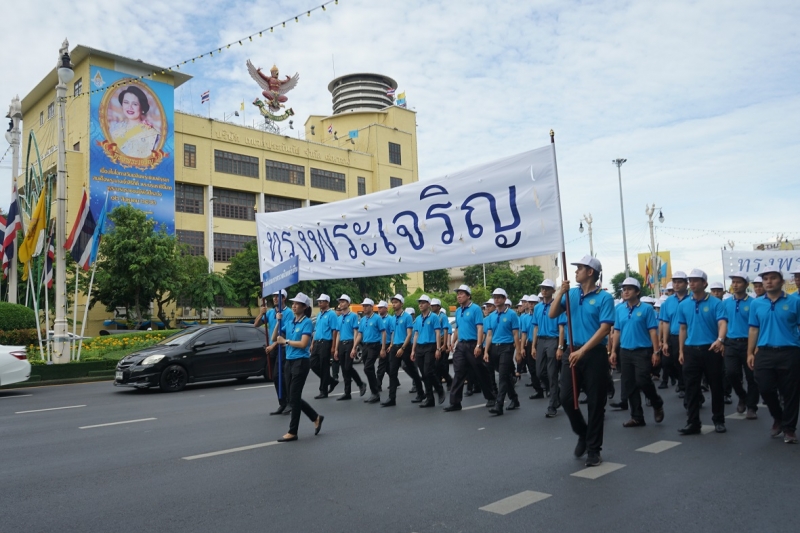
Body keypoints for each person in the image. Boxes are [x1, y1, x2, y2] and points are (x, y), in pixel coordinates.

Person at [550, 255, 615, 467]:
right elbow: (552, 314)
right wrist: (560, 291)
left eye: (580, 268)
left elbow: (604, 329)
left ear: (590, 272)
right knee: (567, 398)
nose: (576, 271)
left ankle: (594, 449)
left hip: (593, 353)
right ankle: (582, 432)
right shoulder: (572, 294)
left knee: (596, 403)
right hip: (573, 351)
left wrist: (584, 350)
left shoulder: (604, 298)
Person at [747, 266, 800, 444]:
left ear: (782, 281)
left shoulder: (794, 302)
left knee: (790, 393)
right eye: (765, 278)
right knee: (765, 387)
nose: (768, 281)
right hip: (765, 352)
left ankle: (789, 429)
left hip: (790, 352)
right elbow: (754, 329)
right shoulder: (756, 303)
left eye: (773, 278)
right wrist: (750, 352)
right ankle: (778, 417)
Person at [677, 269, 728, 435]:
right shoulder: (684, 304)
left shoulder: (715, 303)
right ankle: (693, 422)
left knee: (716, 386)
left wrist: (720, 340)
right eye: (690, 280)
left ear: (704, 283)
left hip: (711, 349)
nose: (692, 283)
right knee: (691, 388)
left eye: (696, 280)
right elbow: (683, 328)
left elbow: (722, 323)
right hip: (691, 350)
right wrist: (681, 350)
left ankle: (718, 420)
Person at [610, 277, 664, 427]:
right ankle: (637, 417)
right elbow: (617, 332)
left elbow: (653, 332)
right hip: (625, 351)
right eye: (624, 289)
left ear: (637, 291)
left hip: (642, 351)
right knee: (629, 384)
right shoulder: (620, 309)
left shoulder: (646, 309)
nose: (625, 291)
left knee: (642, 380)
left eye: (629, 289)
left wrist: (656, 352)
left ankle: (656, 402)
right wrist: (613, 351)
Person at [274, 292, 324, 441]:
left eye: (297, 304)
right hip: (289, 362)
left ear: (304, 307)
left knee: (294, 397)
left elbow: (303, 344)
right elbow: (274, 338)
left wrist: (286, 341)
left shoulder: (307, 322)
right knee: (292, 397)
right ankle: (316, 417)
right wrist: (278, 321)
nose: (294, 306)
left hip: (301, 362)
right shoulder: (289, 323)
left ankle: (293, 431)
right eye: (293, 303)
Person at [444, 285, 496, 411]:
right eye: (458, 294)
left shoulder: (475, 309)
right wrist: (452, 341)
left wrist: (479, 345)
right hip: (461, 345)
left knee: (480, 372)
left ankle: (491, 397)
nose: (459, 296)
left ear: (468, 295)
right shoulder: (458, 311)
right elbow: (457, 328)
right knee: (459, 373)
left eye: (462, 294)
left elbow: (480, 328)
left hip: (473, 344)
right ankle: (455, 402)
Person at [723, 272, 759, 419]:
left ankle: (751, 407)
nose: (735, 285)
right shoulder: (725, 303)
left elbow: (758, 326)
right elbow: (722, 323)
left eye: (739, 282)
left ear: (746, 284)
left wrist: (756, 346)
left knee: (752, 377)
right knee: (731, 373)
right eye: (733, 282)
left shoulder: (753, 303)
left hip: (749, 343)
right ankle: (742, 395)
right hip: (731, 343)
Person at [484, 288, 521, 416]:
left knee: (502, 376)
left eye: (499, 297)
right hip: (494, 347)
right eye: (495, 297)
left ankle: (499, 405)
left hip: (507, 347)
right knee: (505, 376)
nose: (496, 299)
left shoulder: (511, 314)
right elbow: (489, 334)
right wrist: (486, 351)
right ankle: (514, 399)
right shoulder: (491, 316)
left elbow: (516, 334)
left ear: (505, 299)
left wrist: (518, 351)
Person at [257, 290, 294, 416]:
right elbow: (256, 324)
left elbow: (284, 332)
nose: (275, 298)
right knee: (274, 376)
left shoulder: (288, 313)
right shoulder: (271, 312)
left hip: (282, 346)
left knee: (281, 375)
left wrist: (273, 346)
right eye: (273, 296)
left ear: (283, 298)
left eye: (277, 296)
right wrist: (261, 313)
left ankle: (289, 402)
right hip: (273, 346)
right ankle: (282, 403)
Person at [383, 295, 424, 406]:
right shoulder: (392, 318)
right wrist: (391, 344)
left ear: (401, 304)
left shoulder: (407, 317)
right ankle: (392, 398)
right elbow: (393, 333)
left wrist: (403, 348)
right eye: (393, 302)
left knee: (413, 371)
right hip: (395, 347)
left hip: (405, 347)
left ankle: (421, 393)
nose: (394, 304)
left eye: (396, 302)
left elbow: (409, 334)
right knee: (392, 372)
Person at [533, 279, 563, 418]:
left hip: (553, 340)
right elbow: (535, 327)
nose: (544, 290)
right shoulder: (538, 307)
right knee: (539, 372)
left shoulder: (557, 305)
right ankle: (556, 392)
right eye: (542, 288)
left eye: (547, 288)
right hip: (541, 340)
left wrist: (560, 347)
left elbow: (561, 328)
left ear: (553, 291)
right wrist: (533, 345)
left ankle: (552, 405)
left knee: (552, 373)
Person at [659, 271, 690, 395]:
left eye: (680, 282)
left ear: (686, 284)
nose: (676, 285)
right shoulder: (668, 302)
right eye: (674, 282)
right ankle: (682, 383)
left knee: (687, 365)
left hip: (689, 337)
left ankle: (686, 387)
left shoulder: (693, 298)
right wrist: (664, 341)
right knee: (671, 363)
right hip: (673, 337)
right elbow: (665, 322)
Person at [411, 295, 445, 407]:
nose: (420, 305)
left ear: (428, 305)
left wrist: (438, 348)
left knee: (428, 371)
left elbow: (437, 333)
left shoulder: (434, 317)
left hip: (430, 346)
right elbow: (415, 334)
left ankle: (440, 390)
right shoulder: (418, 319)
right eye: (419, 302)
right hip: (420, 347)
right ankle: (430, 399)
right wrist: (413, 350)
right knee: (424, 374)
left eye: (423, 302)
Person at [110, 86, 160, 158]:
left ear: (142, 108)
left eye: (135, 104)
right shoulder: (114, 128)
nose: (129, 107)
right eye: (126, 102)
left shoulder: (152, 134)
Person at [333, 295, 367, 401]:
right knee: (344, 369)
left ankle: (360, 384)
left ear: (348, 303)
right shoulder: (339, 318)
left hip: (350, 343)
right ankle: (347, 393)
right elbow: (338, 334)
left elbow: (355, 332)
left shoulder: (353, 316)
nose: (341, 304)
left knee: (348, 367)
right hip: (342, 344)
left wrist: (354, 347)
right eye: (340, 302)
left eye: (343, 302)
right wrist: (336, 349)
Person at [353, 298, 386, 404]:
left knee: (367, 368)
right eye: (363, 306)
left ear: (372, 307)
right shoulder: (363, 320)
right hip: (366, 346)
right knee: (368, 368)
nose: (364, 308)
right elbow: (359, 334)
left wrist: (383, 348)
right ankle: (375, 392)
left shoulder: (377, 318)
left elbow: (383, 333)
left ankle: (375, 392)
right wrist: (354, 347)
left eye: (367, 306)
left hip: (374, 345)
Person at [309, 294, 337, 398]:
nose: (319, 303)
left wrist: (333, 346)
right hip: (317, 342)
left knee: (324, 366)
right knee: (312, 363)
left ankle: (323, 390)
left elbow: (334, 331)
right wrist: (312, 343)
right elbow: (315, 330)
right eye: (319, 301)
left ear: (327, 302)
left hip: (326, 342)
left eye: (322, 301)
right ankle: (330, 380)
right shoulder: (319, 314)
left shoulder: (332, 314)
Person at [431, 298, 453, 391]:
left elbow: (446, 330)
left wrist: (445, 345)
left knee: (441, 364)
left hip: (442, 341)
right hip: (435, 342)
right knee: (436, 365)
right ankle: (441, 382)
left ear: (438, 307)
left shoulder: (442, 316)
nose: (432, 307)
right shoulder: (431, 316)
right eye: (431, 305)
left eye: (434, 306)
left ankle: (448, 380)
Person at [375, 301, 391, 391]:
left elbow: (392, 332)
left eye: (381, 307)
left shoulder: (390, 319)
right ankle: (395, 380)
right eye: (378, 308)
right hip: (379, 344)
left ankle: (378, 385)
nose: (379, 309)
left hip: (387, 344)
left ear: (386, 308)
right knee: (386, 365)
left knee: (381, 365)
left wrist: (391, 345)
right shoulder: (377, 319)